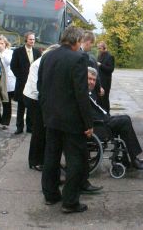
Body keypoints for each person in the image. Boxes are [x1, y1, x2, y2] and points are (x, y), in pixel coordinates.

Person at [38, 26, 93, 213]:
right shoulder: (78, 58)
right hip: (71, 121)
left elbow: (41, 87)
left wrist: (46, 114)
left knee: (51, 157)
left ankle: (50, 195)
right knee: (76, 160)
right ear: (77, 41)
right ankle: (70, 201)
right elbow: (81, 94)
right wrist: (88, 123)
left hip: (51, 118)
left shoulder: (47, 57)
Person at [87, 67, 143, 170]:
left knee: (125, 119)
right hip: (99, 125)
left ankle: (127, 159)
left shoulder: (90, 92)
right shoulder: (82, 93)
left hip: (103, 120)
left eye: (94, 80)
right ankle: (133, 159)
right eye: (89, 79)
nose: (92, 82)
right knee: (125, 121)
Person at [23, 44, 60, 172]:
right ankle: (35, 161)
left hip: (38, 98)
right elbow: (36, 86)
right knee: (38, 131)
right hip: (34, 99)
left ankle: (39, 159)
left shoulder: (44, 61)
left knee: (41, 131)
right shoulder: (39, 63)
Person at [11, 31, 41, 134]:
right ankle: (19, 127)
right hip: (21, 83)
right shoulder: (18, 51)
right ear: (26, 40)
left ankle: (30, 127)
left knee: (31, 107)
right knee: (21, 107)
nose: (32, 41)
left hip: (33, 84)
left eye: (33, 39)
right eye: (30, 39)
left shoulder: (37, 52)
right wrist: (20, 76)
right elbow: (13, 66)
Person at [0, 35, 16, 128]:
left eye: (2, 43)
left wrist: (2, 53)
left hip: (7, 81)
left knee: (6, 102)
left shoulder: (10, 52)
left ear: (5, 44)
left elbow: (9, 62)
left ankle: (5, 122)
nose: (0, 45)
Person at [97, 41, 115, 113]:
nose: (99, 50)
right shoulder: (100, 55)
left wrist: (100, 65)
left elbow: (111, 69)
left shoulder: (110, 56)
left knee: (105, 99)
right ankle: (101, 114)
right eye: (98, 48)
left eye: (100, 48)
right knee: (99, 99)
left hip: (106, 82)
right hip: (99, 80)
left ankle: (107, 114)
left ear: (104, 48)